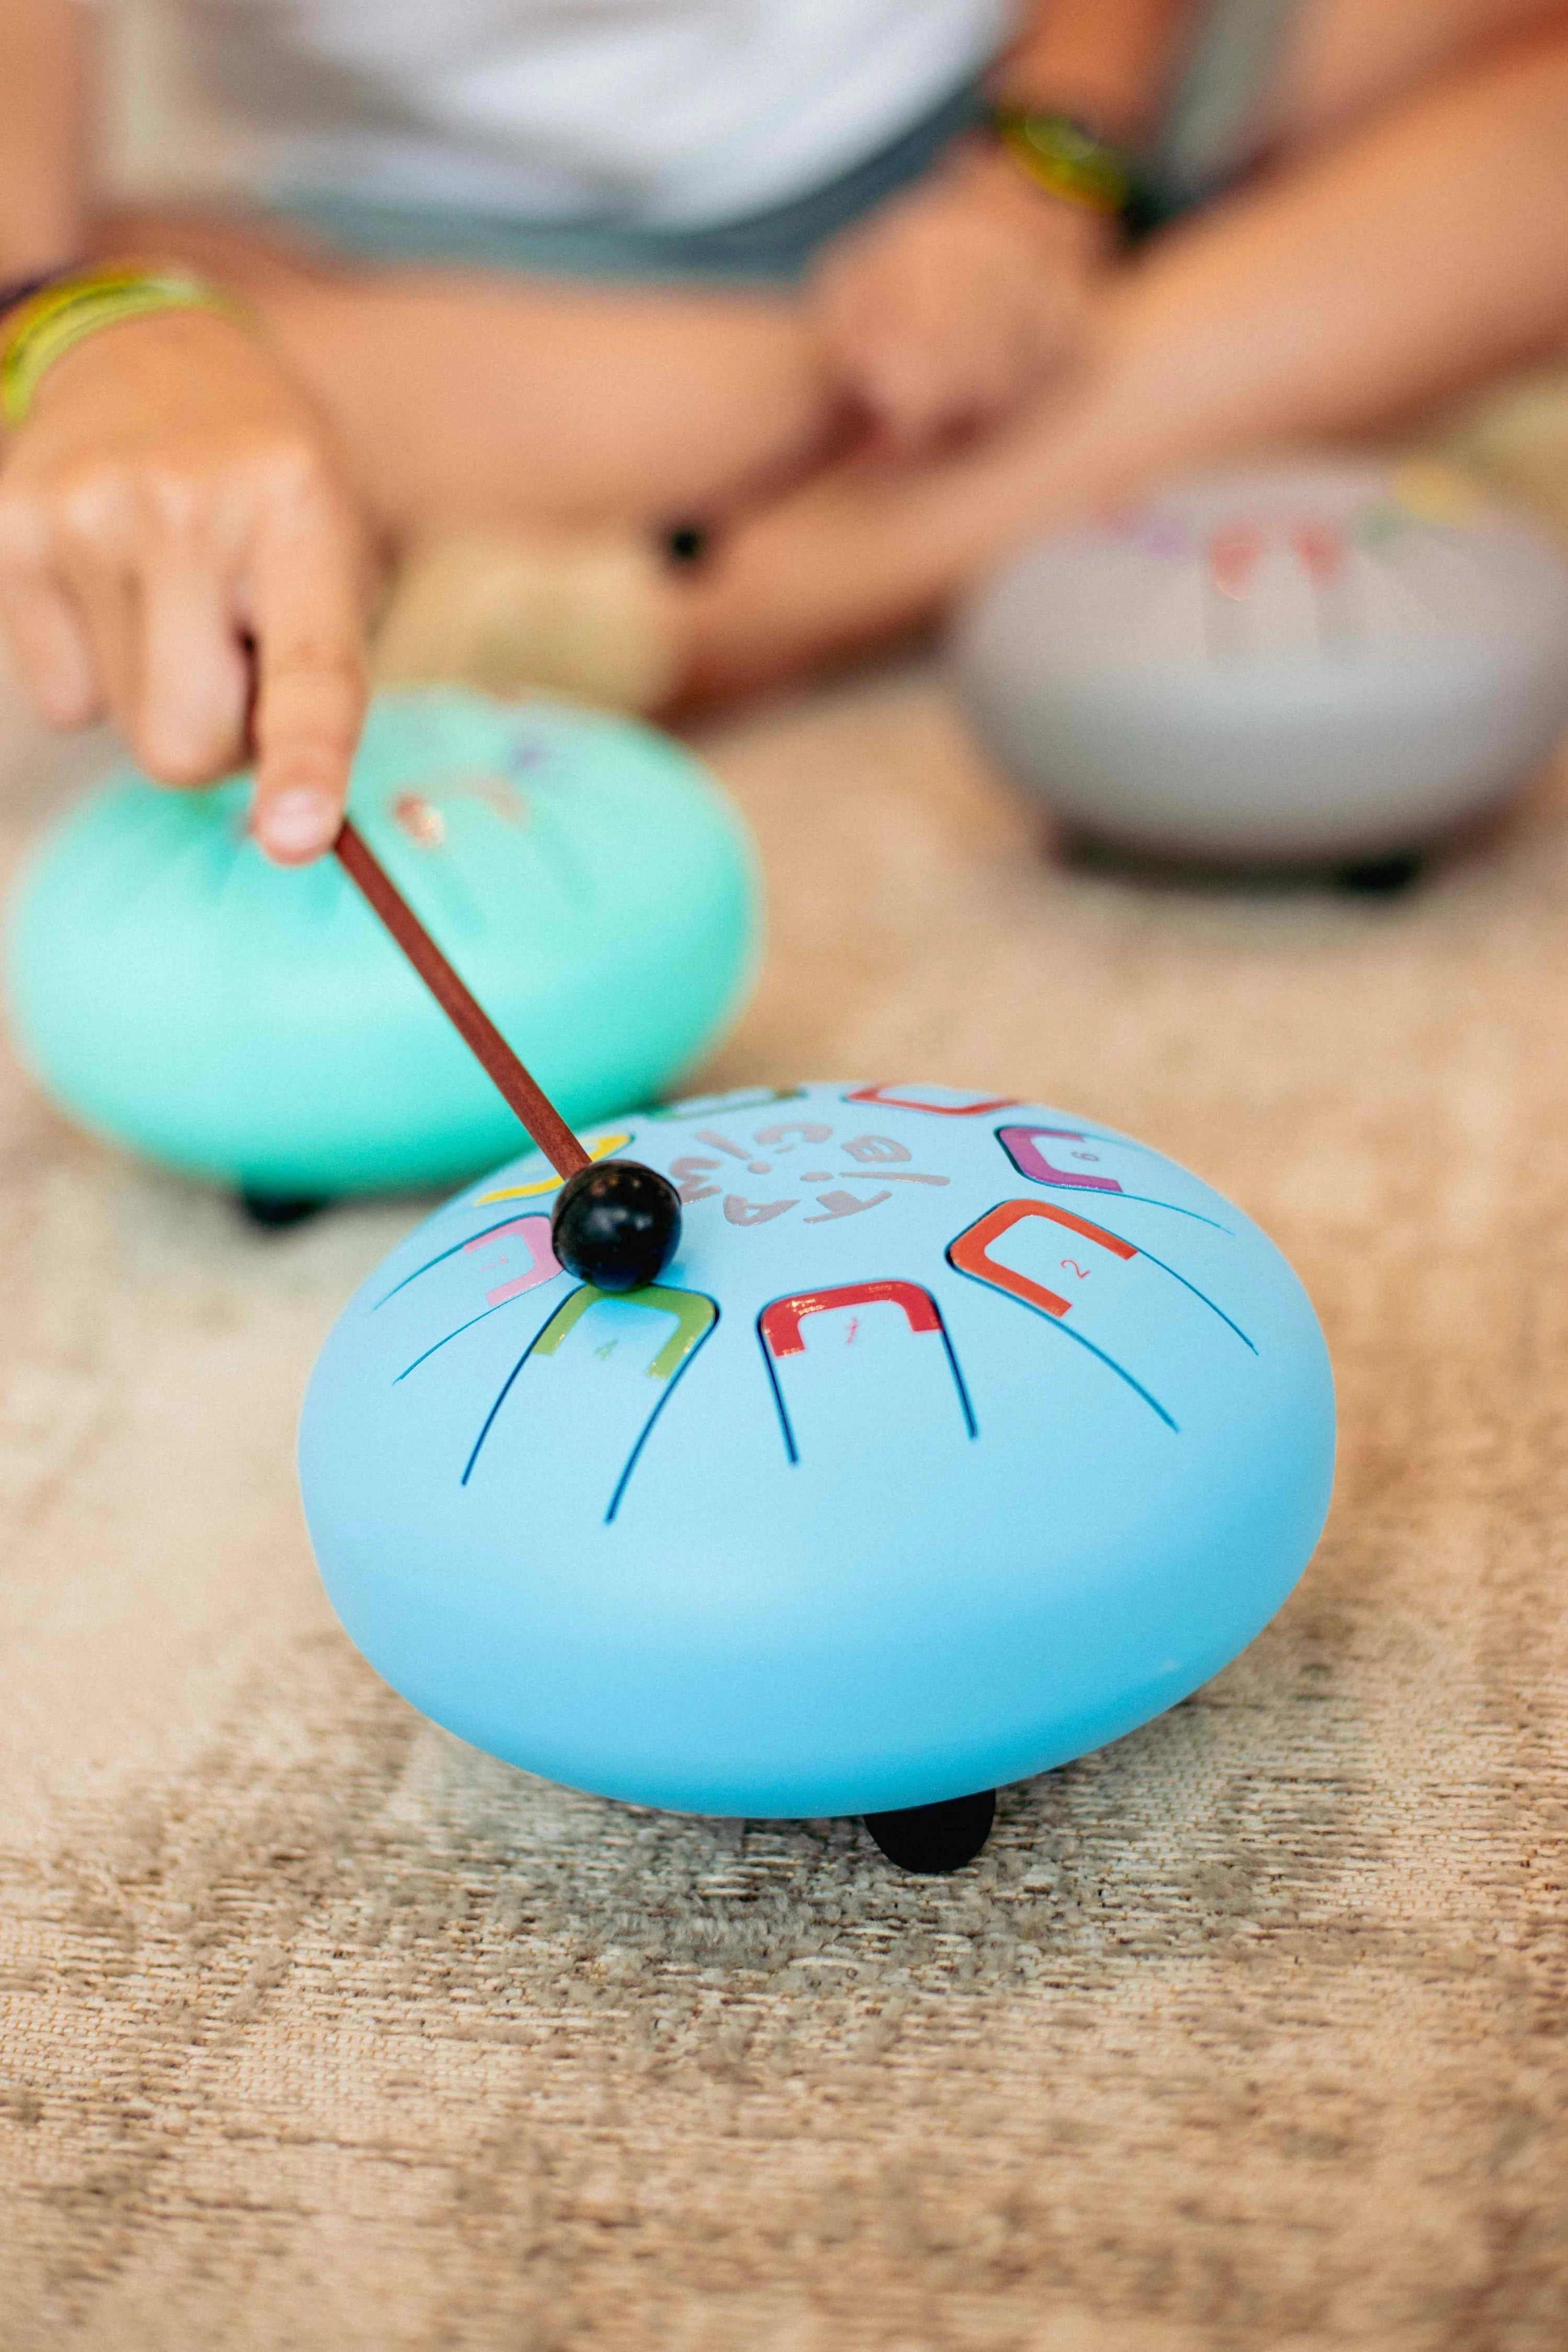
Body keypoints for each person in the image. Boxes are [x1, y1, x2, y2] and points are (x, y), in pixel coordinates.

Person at [1, 0, 1566, 866]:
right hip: (452, 250)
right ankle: (1225, 344)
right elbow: (31, 231)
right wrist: (84, 336)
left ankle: (775, 580)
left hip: (1011, 87)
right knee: (175, 349)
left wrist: (1043, 166)